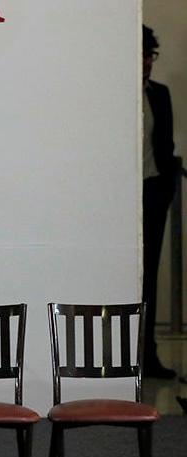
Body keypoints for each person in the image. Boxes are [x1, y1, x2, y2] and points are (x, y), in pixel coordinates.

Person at [142, 25, 178, 379]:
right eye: (141, 55)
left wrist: (167, 187)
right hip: (118, 199)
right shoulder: (109, 96)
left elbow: (165, 146)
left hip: (152, 190)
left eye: (150, 56)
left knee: (149, 275)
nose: (146, 63)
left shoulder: (160, 94)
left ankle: (147, 352)